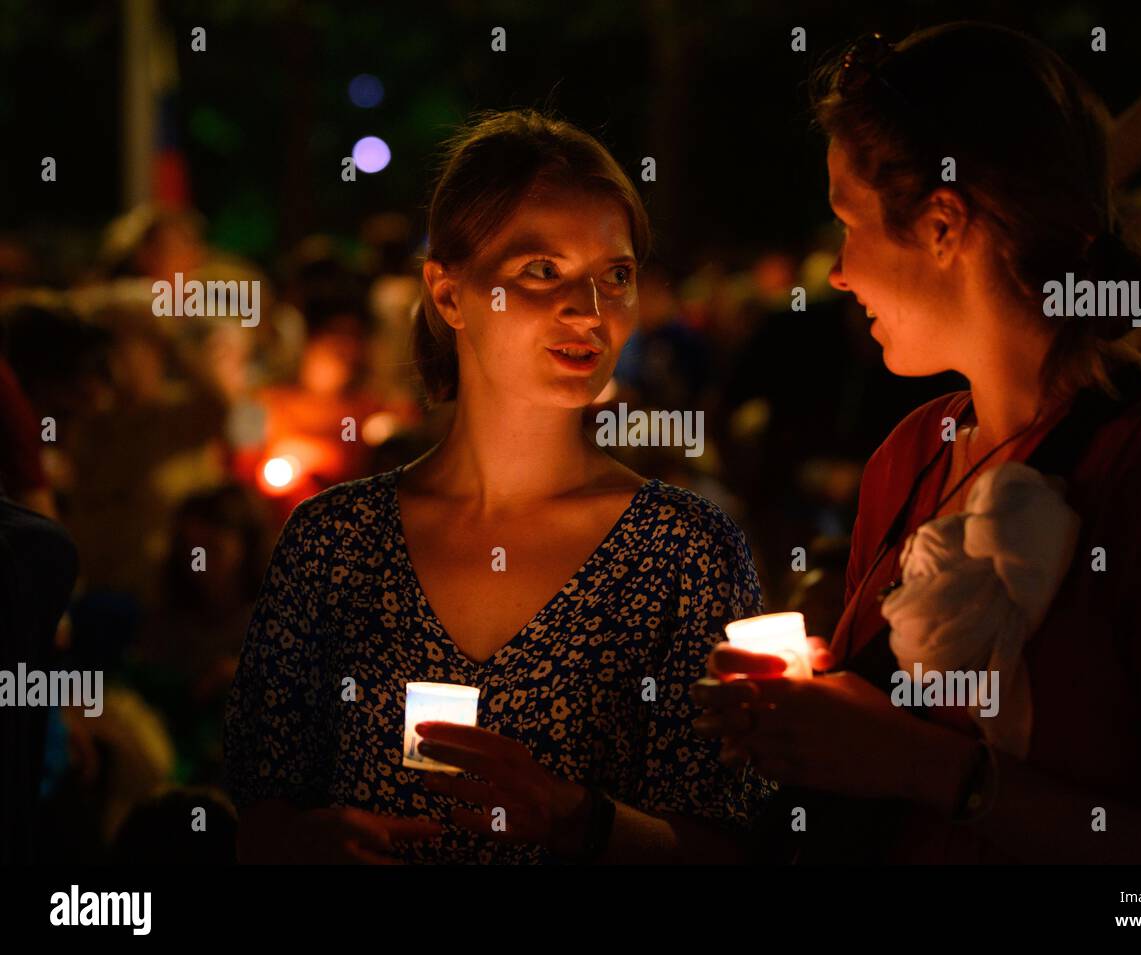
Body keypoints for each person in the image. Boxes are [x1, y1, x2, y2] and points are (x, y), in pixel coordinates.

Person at [693, 22, 1141, 863]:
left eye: (849, 222)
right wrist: (820, 712)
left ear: (944, 225)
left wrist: (934, 770)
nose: (836, 270)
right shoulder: (911, 456)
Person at [225, 110, 771, 864]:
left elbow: (735, 846)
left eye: (616, 275)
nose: (589, 309)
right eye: (541, 270)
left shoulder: (686, 552)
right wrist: (302, 841)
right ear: (449, 295)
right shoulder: (332, 543)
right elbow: (256, 808)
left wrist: (576, 817)